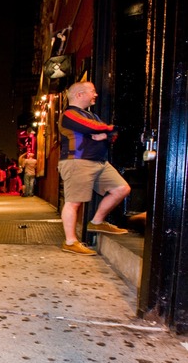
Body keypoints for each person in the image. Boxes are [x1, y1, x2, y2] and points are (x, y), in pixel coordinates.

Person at [58, 81, 130, 256]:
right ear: (79, 94)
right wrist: (107, 130)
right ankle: (70, 241)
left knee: (122, 189)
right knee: (74, 201)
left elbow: (111, 135)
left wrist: (105, 134)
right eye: (92, 91)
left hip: (99, 162)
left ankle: (97, 221)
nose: (95, 94)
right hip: (77, 161)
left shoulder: (92, 115)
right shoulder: (69, 114)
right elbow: (96, 128)